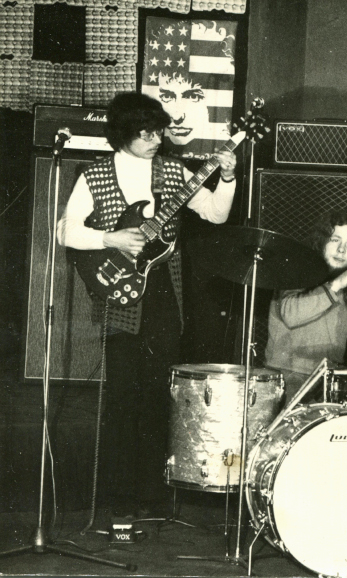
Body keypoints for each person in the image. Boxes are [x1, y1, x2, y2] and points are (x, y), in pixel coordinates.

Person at [57, 91, 238, 517]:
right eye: (145, 133)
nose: (156, 139)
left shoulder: (174, 171)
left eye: (158, 131)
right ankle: (116, 500)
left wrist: (226, 179)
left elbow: (214, 214)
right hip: (119, 294)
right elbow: (66, 230)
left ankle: (152, 498)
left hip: (164, 296)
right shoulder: (95, 176)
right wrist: (111, 238)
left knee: (160, 397)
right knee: (121, 396)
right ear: (123, 134)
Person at [263, 209, 347, 402]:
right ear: (322, 241)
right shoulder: (296, 269)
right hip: (286, 376)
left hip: (329, 378)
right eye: (335, 240)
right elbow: (291, 314)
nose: (342, 250)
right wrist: (335, 285)